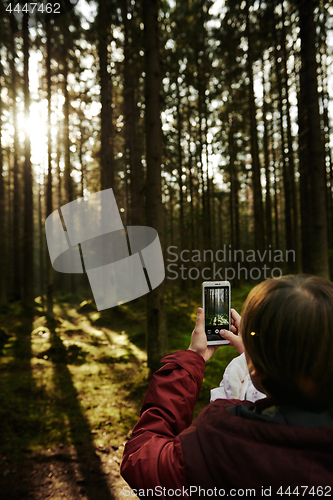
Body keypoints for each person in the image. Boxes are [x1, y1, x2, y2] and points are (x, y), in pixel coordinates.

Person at [121, 275, 333, 499]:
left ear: (256, 368)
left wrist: (191, 360)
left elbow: (141, 459)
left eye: (253, 336)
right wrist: (257, 358)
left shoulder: (221, 438)